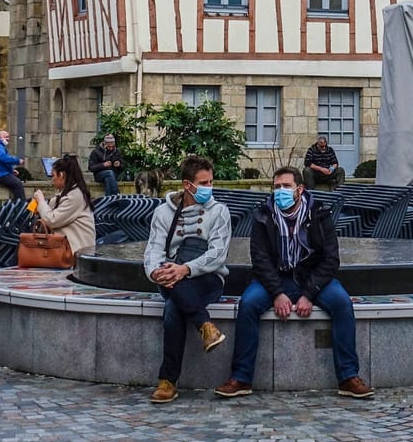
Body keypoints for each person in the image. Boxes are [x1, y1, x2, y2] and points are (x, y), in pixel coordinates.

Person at [216, 166, 373, 400]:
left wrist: (309, 293)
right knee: (248, 304)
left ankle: (349, 377)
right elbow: (259, 259)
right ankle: (241, 378)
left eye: (286, 186)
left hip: (312, 278)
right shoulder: (263, 216)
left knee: (341, 303)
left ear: (299, 189)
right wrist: (278, 293)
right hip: (276, 278)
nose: (280, 191)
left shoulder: (319, 214)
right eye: (277, 187)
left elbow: (331, 259)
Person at [144, 155, 234, 403]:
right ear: (187, 184)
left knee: (174, 306)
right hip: (171, 277)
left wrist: (184, 270)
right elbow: (153, 249)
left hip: (207, 278)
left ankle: (167, 381)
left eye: (211, 182)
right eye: (203, 183)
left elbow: (218, 255)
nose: (209, 188)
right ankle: (205, 326)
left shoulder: (219, 211)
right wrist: (156, 272)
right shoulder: (164, 212)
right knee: (175, 300)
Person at [29, 154, 97, 256]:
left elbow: (53, 220)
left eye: (53, 175)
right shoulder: (71, 193)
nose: (52, 180)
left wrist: (41, 201)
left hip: (76, 252)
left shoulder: (75, 196)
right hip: (68, 249)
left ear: (61, 175)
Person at [0, 130, 26, 202]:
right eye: (6, 137)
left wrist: (12, 171)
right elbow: (4, 158)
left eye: (8, 137)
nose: (8, 139)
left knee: (16, 182)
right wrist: (18, 161)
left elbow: (1, 162)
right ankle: (20, 207)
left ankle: (16, 205)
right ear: (0, 137)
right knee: (18, 184)